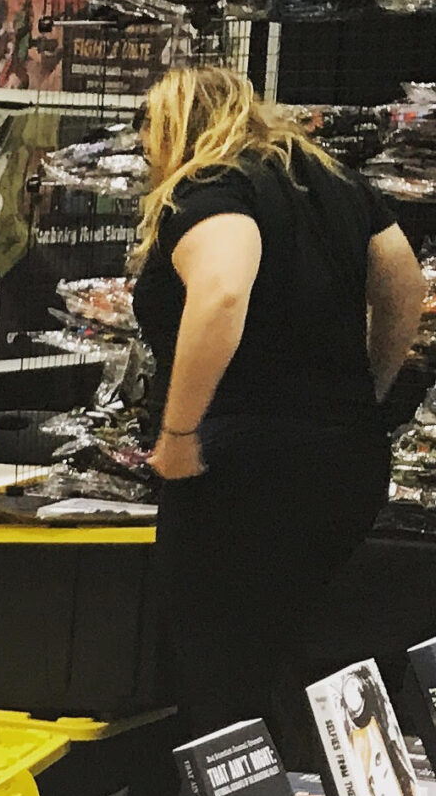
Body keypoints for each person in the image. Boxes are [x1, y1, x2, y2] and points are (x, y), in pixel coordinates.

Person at [131, 65, 426, 752]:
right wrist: (368, 391)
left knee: (220, 683)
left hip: (241, 470)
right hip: (345, 462)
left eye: (147, 124)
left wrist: (178, 434)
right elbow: (405, 285)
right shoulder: (333, 183)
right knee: (300, 664)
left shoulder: (212, 188)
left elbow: (223, 294)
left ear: (177, 122)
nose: (143, 145)